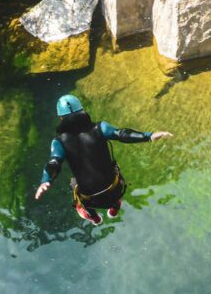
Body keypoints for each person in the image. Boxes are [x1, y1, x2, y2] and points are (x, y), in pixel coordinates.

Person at [35, 95, 173, 225]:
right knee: (114, 170)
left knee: (74, 185)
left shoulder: (59, 142)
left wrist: (46, 180)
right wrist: (149, 136)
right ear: (82, 111)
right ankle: (114, 208)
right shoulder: (100, 128)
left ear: (60, 118)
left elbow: (54, 162)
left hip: (91, 199)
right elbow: (123, 134)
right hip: (115, 190)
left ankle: (94, 218)